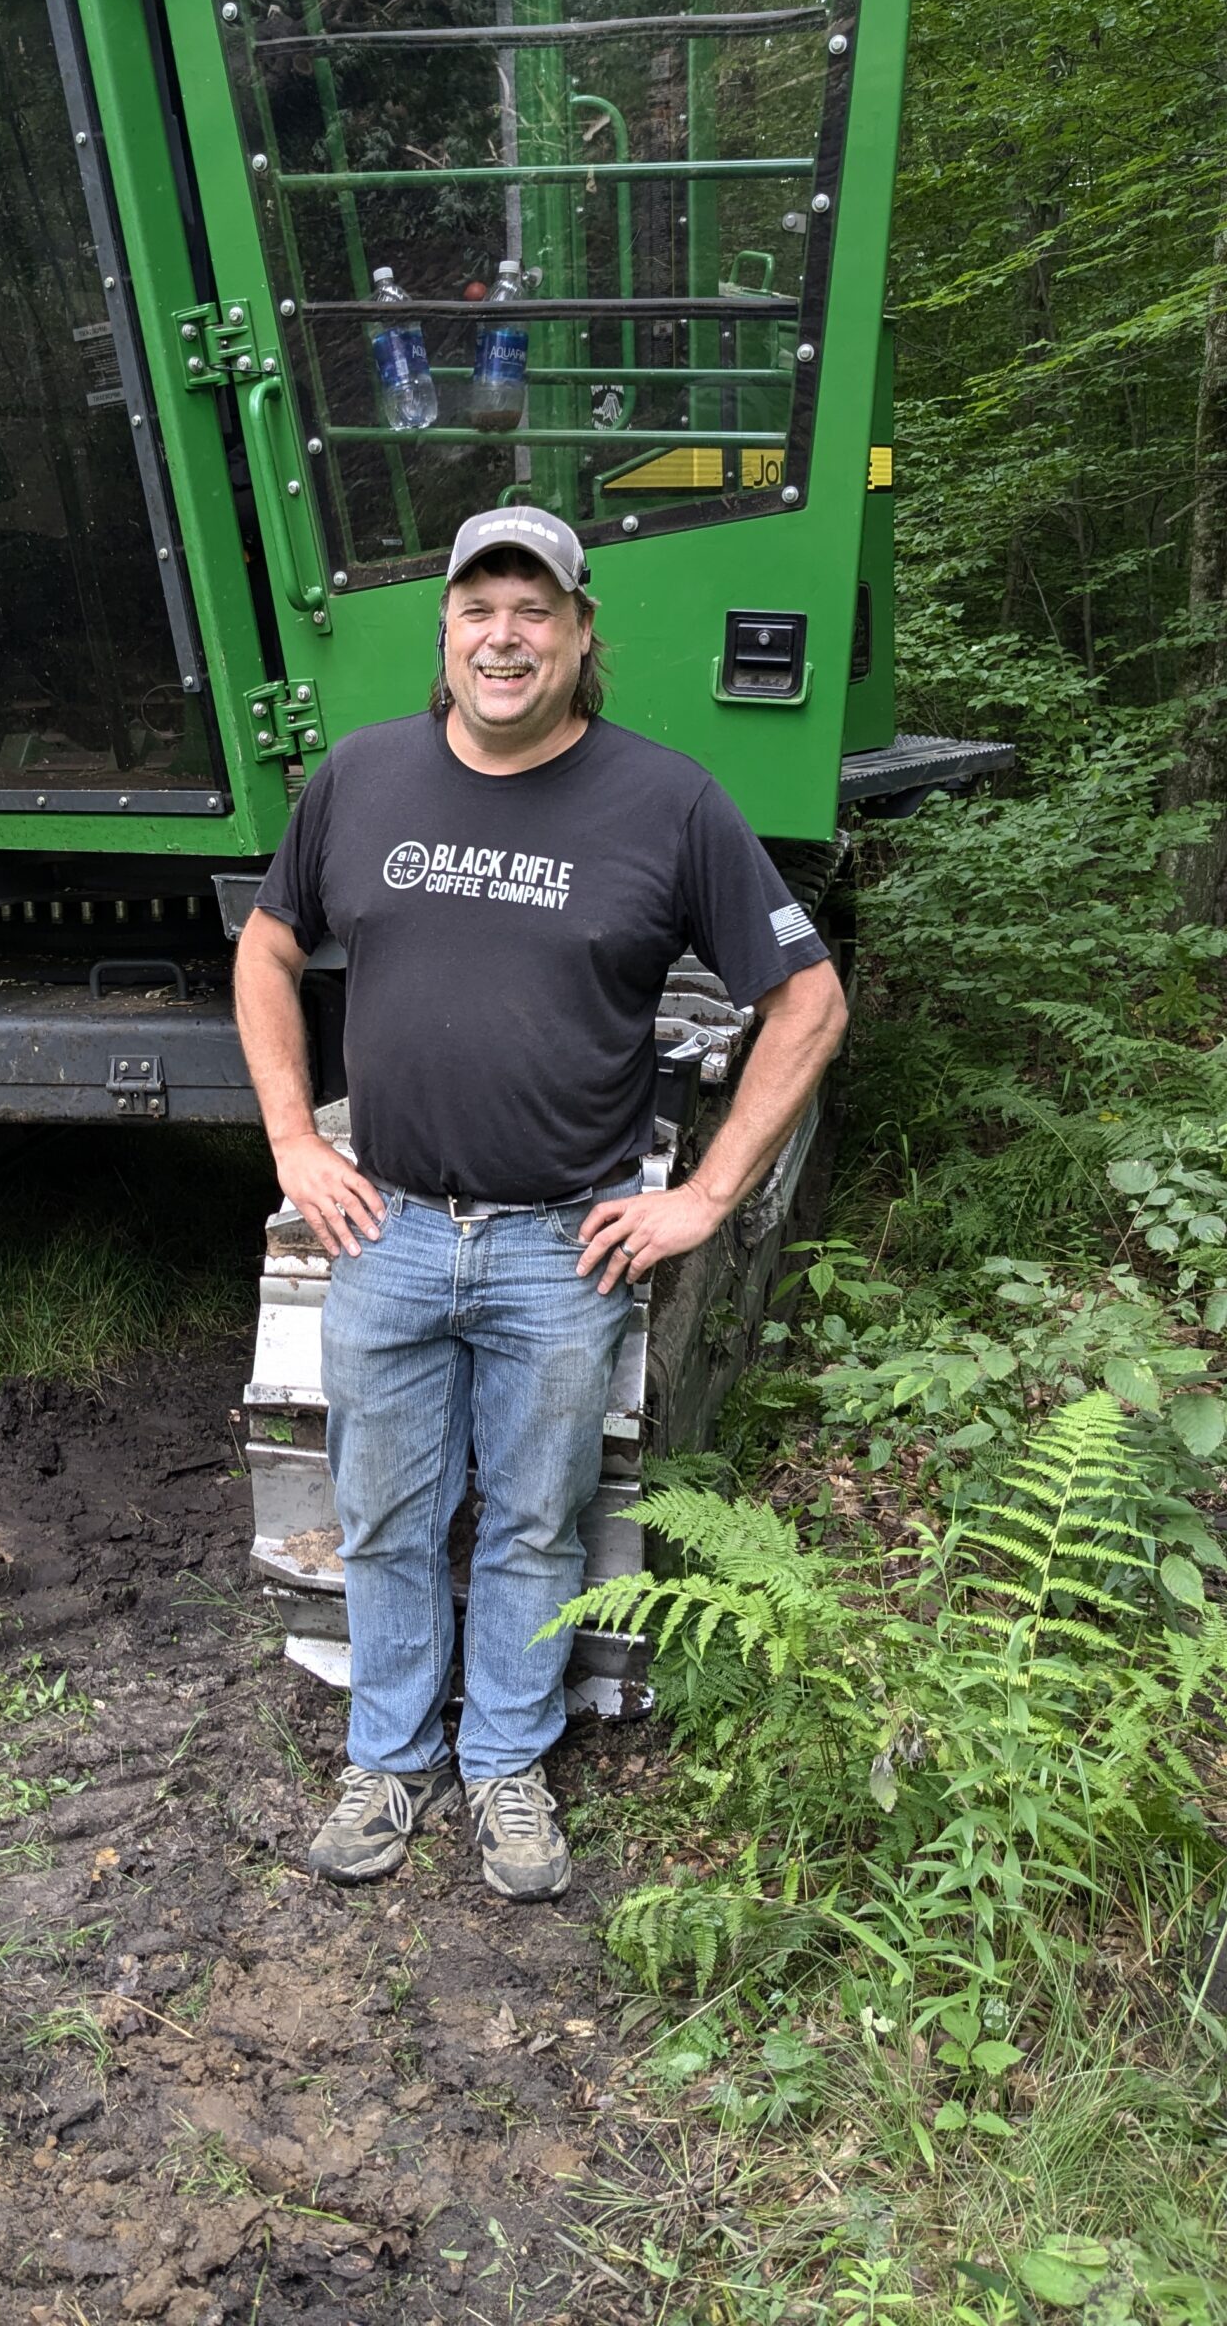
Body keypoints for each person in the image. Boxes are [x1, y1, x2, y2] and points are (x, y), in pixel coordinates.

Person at [234, 506, 848, 1901]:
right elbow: (268, 953)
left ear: (580, 638)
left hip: (559, 1245)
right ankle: (388, 1759)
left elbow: (807, 1002)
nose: (502, 636)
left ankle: (507, 1761)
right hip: (382, 1228)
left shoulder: (668, 802)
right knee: (386, 1515)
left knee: (532, 1522)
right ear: (444, 635)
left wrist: (702, 1195)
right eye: (476, 611)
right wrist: (290, 1139)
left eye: (533, 611)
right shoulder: (360, 779)